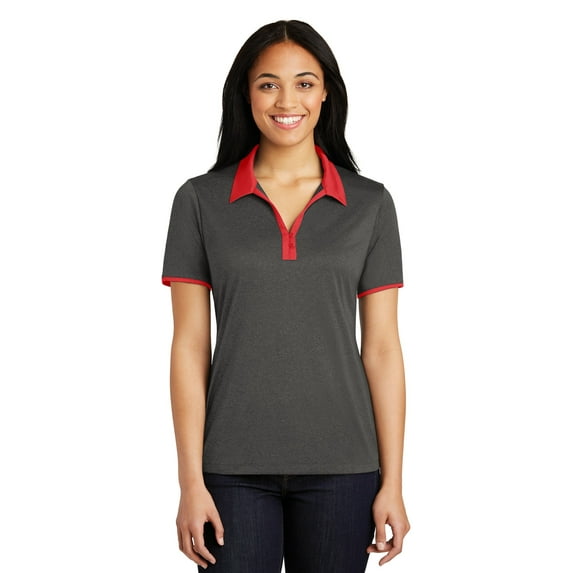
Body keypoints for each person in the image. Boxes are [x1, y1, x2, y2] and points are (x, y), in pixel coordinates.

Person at [161, 19, 410, 573]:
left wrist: (392, 481)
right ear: (246, 95)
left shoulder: (370, 204)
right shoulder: (200, 201)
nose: (287, 101)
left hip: (345, 467)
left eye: (304, 83)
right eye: (268, 84)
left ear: (326, 94)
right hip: (229, 469)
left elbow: (382, 349)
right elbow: (189, 346)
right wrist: (190, 481)